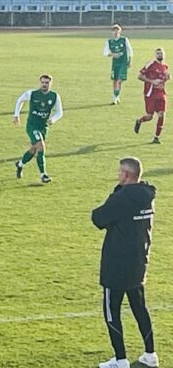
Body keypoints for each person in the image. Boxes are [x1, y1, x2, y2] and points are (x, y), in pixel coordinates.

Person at [92, 157, 157, 368]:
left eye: (120, 172)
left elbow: (98, 218)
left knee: (112, 310)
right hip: (138, 261)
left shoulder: (121, 198)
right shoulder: (147, 196)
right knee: (140, 307)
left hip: (116, 264)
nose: (118, 174)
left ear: (126, 175)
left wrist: (116, 193)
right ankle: (150, 354)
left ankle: (120, 359)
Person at [13, 74, 63, 184]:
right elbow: (20, 100)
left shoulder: (55, 96)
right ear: (40, 83)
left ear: (50, 84)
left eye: (47, 83)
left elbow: (60, 112)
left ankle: (20, 164)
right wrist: (16, 115)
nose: (44, 85)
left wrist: (53, 119)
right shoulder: (32, 94)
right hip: (32, 126)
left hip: (43, 127)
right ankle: (43, 175)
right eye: (42, 82)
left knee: (33, 150)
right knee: (41, 146)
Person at [135, 48, 169, 145]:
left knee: (162, 114)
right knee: (149, 116)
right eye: (158, 53)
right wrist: (152, 81)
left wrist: (167, 78)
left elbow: (165, 78)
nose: (160, 55)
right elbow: (140, 76)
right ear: (155, 55)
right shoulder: (150, 64)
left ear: (164, 55)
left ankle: (156, 137)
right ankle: (139, 121)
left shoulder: (165, 66)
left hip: (161, 93)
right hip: (150, 94)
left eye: (161, 53)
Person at [106, 25, 134, 105]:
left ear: (120, 31)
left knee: (119, 80)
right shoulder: (110, 41)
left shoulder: (124, 40)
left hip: (123, 63)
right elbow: (105, 52)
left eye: (117, 30)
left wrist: (130, 60)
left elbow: (130, 50)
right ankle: (116, 96)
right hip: (115, 63)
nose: (116, 32)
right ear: (112, 32)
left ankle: (115, 97)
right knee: (115, 80)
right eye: (114, 30)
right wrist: (112, 54)